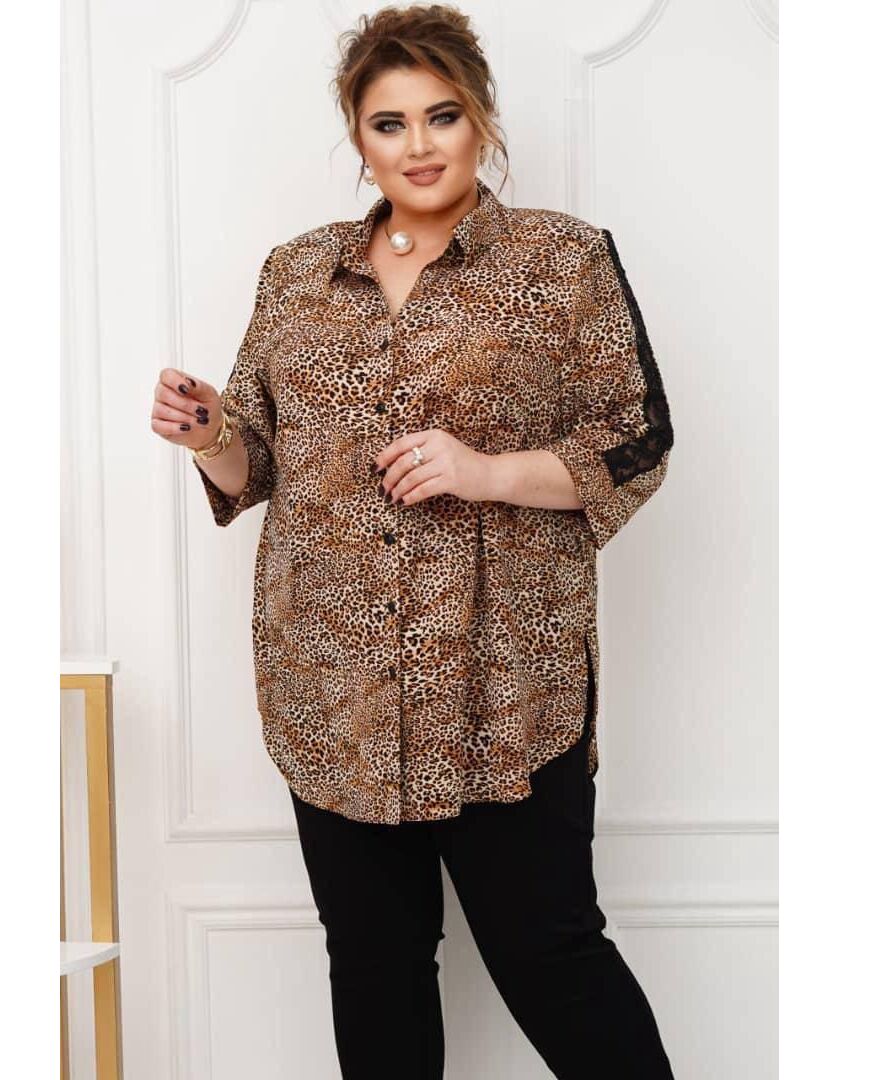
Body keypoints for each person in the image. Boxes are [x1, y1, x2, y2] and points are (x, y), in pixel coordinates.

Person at [150, 5, 676, 1076]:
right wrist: (211, 435)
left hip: (503, 688)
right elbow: (260, 464)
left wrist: (485, 472)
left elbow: (638, 442)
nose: (420, 145)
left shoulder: (563, 262)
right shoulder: (296, 274)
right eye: (389, 123)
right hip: (334, 689)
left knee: (552, 955)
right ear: (359, 138)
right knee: (374, 966)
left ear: (481, 119)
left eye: (443, 115)